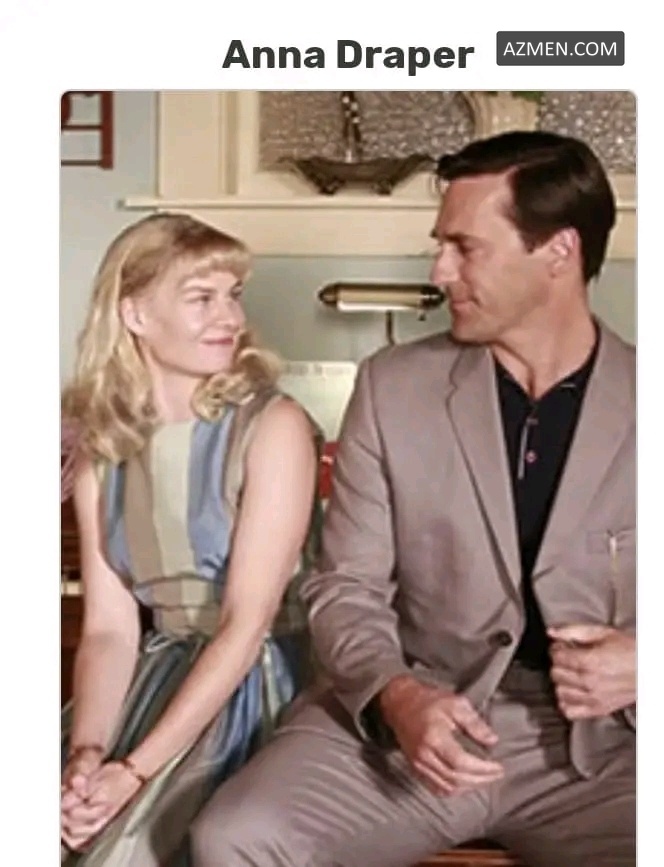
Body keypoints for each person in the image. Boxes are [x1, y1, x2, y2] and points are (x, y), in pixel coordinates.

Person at [190, 131, 636, 867]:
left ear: (559, 251)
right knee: (235, 836)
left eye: (465, 247)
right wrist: (397, 696)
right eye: (440, 245)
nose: (439, 270)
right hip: (410, 719)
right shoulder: (391, 386)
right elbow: (345, 587)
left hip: (615, 749)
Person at [59, 212, 321, 865]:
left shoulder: (275, 426)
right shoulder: (102, 451)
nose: (230, 317)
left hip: (263, 681)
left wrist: (133, 771)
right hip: (154, 674)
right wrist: (88, 754)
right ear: (134, 314)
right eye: (202, 297)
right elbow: (109, 631)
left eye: (234, 294)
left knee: (131, 848)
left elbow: (246, 626)